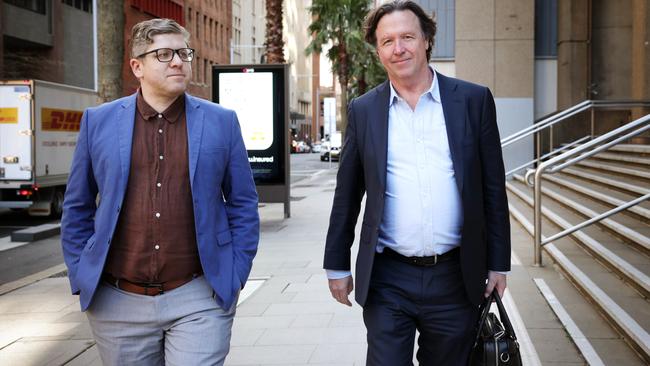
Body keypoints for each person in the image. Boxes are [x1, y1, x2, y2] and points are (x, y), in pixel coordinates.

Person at [61, 18, 259, 365]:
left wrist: (235, 272)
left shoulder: (221, 122)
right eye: (164, 54)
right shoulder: (98, 122)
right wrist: (81, 271)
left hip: (199, 296)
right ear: (137, 66)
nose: (179, 61)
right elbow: (77, 206)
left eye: (184, 52)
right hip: (117, 302)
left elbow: (243, 202)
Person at [323, 1, 511, 365]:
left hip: (456, 278)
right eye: (387, 41)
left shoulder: (473, 100)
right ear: (378, 51)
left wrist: (498, 263)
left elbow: (492, 190)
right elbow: (347, 194)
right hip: (387, 277)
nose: (399, 48)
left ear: (426, 40)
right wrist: (337, 265)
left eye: (407, 36)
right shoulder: (364, 110)